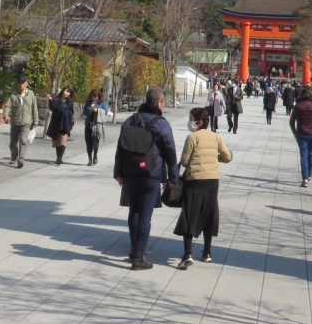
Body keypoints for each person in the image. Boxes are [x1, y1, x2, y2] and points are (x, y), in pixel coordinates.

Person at [114, 84, 179, 271]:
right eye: (163, 102)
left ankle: (134, 249)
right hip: (152, 172)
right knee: (145, 215)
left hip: (130, 171)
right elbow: (170, 152)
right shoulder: (161, 123)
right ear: (159, 103)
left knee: (134, 211)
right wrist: (173, 177)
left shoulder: (130, 120)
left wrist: (118, 172)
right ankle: (139, 257)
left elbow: (120, 148)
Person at [176, 107, 232, 268]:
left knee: (189, 215)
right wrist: (215, 158)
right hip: (212, 182)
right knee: (209, 214)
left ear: (198, 122)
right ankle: (207, 252)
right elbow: (228, 156)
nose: (189, 122)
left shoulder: (192, 137)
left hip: (195, 182)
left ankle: (187, 254)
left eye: (191, 119)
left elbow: (184, 162)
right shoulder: (215, 137)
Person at [289, 85, 312, 186]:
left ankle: (305, 179)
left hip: (301, 133)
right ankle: (309, 174)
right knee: (310, 154)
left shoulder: (298, 106)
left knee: (303, 155)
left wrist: (295, 132)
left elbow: (291, 121)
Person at [5, 76, 39, 167]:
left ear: (26, 84)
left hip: (26, 122)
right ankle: (14, 156)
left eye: (23, 83)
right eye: (20, 83)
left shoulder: (31, 94)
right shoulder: (13, 95)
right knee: (13, 142)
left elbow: (34, 108)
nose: (21, 85)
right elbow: (8, 106)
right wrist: (6, 115)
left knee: (23, 140)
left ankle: (21, 159)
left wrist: (36, 121)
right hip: (15, 122)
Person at [47, 86, 75, 165]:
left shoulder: (69, 102)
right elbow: (53, 108)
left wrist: (66, 114)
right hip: (57, 123)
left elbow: (72, 112)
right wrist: (50, 100)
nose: (67, 93)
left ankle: (60, 158)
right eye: (66, 91)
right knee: (57, 141)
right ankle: (58, 157)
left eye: (69, 92)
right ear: (63, 91)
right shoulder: (57, 100)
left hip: (65, 123)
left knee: (63, 141)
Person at [83, 89, 103, 165]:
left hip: (96, 125)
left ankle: (95, 155)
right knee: (88, 142)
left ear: (98, 96)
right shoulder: (88, 103)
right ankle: (90, 159)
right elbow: (84, 112)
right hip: (88, 124)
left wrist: (97, 110)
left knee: (95, 142)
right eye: (93, 96)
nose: (94, 97)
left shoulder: (101, 103)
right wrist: (89, 110)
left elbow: (105, 111)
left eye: (96, 96)